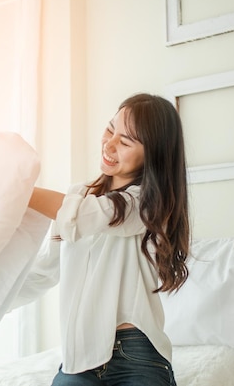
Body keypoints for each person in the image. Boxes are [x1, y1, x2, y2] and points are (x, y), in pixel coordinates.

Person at [28, 93, 189, 386]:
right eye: (110, 129)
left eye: (125, 142)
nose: (109, 144)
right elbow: (44, 271)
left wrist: (17, 188)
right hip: (79, 356)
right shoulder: (77, 197)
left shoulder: (148, 203)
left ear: (152, 155)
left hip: (136, 352)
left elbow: (94, 215)